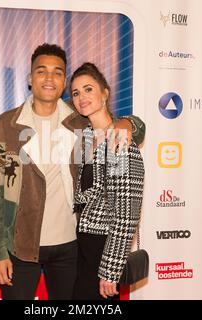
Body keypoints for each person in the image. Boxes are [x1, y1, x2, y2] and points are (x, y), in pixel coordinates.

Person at [0, 43, 145, 300]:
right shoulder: (6, 126)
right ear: (30, 79)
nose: (49, 78)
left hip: (71, 248)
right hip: (21, 248)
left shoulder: (79, 122)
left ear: (63, 81)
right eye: (41, 71)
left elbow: (121, 129)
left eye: (57, 72)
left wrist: (129, 123)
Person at [70, 62, 145, 300]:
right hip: (84, 245)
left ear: (105, 93)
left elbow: (126, 214)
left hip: (104, 248)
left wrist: (110, 271)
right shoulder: (87, 138)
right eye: (76, 93)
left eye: (88, 89)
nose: (82, 97)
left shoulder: (120, 142)